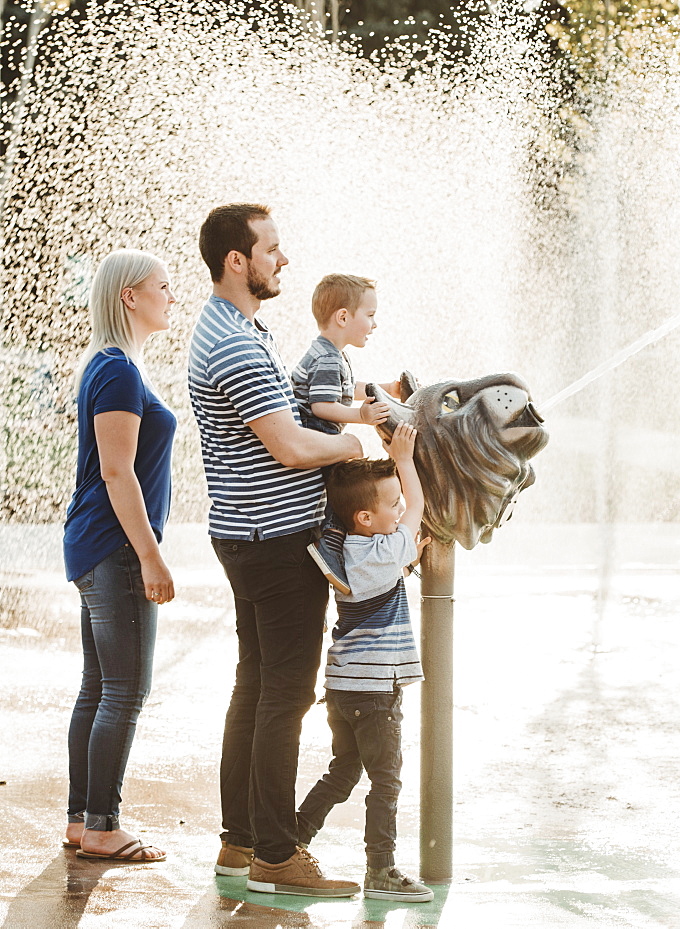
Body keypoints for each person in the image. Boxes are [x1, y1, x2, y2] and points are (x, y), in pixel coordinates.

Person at [188, 203, 363, 897]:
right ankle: (277, 853)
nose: (284, 258)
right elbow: (289, 445)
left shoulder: (235, 327)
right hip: (276, 544)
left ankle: (240, 840)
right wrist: (355, 445)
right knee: (283, 696)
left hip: (248, 535)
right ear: (239, 259)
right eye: (273, 248)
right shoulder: (233, 341)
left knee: (256, 685)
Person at [63, 249, 177, 862]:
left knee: (99, 687)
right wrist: (152, 557)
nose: (171, 296)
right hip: (115, 547)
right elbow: (116, 471)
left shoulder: (114, 366)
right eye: (162, 287)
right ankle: (104, 826)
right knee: (125, 689)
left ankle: (84, 822)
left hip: (97, 545)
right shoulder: (118, 371)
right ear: (130, 296)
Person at [297, 421, 433, 903]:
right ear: (364, 518)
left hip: (344, 685)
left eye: (396, 501)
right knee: (387, 779)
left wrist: (401, 559)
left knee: (344, 770)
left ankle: (293, 838)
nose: (400, 510)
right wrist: (403, 461)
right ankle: (382, 870)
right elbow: (416, 508)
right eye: (388, 506)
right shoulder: (384, 548)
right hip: (376, 689)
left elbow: (396, 537)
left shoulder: (354, 548)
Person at [289, 273, 400, 438]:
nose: (375, 324)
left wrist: (388, 389)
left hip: (317, 434)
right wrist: (361, 416)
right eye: (370, 315)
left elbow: (349, 389)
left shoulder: (332, 354)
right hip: (312, 434)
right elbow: (322, 406)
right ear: (343, 318)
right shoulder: (327, 359)